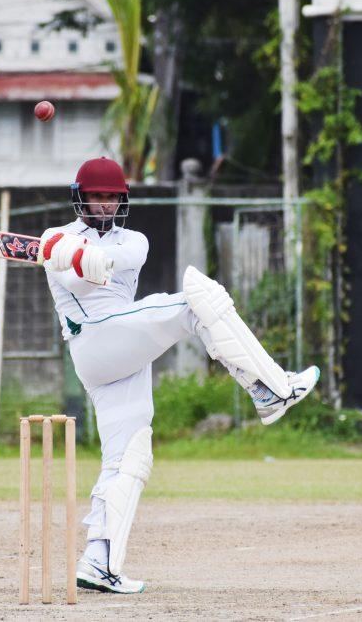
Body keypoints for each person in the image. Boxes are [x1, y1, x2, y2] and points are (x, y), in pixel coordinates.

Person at [38, 156, 320, 594]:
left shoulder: (135, 240)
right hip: (94, 340)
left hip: (122, 349)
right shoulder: (54, 238)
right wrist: (65, 255)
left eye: (113, 198)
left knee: (130, 456)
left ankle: (99, 560)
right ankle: (270, 388)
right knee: (196, 302)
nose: (106, 205)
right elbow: (75, 282)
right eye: (97, 197)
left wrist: (81, 257)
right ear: (80, 197)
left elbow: (111, 263)